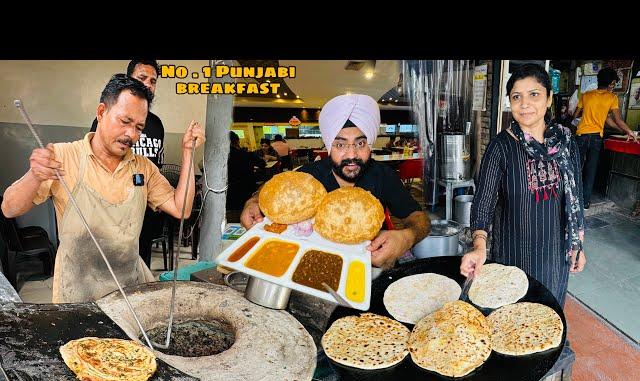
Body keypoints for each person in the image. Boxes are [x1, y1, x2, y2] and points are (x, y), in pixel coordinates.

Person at [1, 74, 205, 303]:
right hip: (77, 291)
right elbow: (9, 208)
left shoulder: (143, 168)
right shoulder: (64, 157)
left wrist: (188, 153)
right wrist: (34, 176)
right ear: (101, 112)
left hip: (128, 288)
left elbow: (182, 209)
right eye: (125, 122)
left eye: (139, 127)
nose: (132, 135)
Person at [241, 94, 430, 270]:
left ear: (370, 144)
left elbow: (420, 218)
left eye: (360, 143)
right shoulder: (311, 176)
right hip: (316, 264)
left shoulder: (383, 175)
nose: (351, 154)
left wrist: (406, 237)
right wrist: (254, 202)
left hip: (368, 266)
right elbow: (276, 187)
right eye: (340, 144)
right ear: (329, 146)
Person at [460, 63, 586, 307]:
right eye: (516, 96)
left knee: (550, 313)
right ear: (510, 101)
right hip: (513, 254)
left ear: (549, 99)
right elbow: (483, 203)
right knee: (513, 319)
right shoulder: (501, 146)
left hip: (554, 256)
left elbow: (576, 196)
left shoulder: (566, 141)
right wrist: (478, 246)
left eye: (534, 95)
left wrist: (578, 245)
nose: (525, 104)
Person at [90, 59, 166, 267]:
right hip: (112, 210)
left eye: (153, 80)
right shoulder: (106, 120)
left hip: (144, 209)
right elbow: (94, 162)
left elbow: (157, 166)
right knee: (109, 267)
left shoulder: (157, 124)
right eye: (142, 78)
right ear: (129, 79)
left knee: (141, 265)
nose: (148, 84)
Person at [573, 67, 639, 209]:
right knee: (591, 170)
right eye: (613, 83)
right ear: (611, 83)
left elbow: (576, 115)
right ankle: (585, 202)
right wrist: (628, 131)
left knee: (576, 168)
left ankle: (571, 198)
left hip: (581, 135)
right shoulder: (612, 98)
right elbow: (617, 119)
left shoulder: (586, 95)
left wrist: (623, 131)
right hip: (596, 138)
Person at [227, 131, 258, 223]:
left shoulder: (215, 156)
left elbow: (201, 166)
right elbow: (261, 163)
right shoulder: (244, 154)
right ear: (236, 141)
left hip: (227, 196)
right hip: (246, 192)